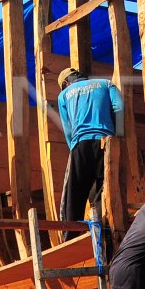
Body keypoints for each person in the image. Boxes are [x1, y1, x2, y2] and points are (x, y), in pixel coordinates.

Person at [56, 67, 124, 240]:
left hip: (80, 144)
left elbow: (68, 127)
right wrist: (115, 136)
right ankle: (107, 233)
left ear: (65, 83)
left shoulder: (64, 95)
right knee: (104, 189)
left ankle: (70, 238)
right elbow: (119, 108)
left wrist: (74, 148)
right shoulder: (106, 84)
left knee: (75, 194)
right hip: (105, 142)